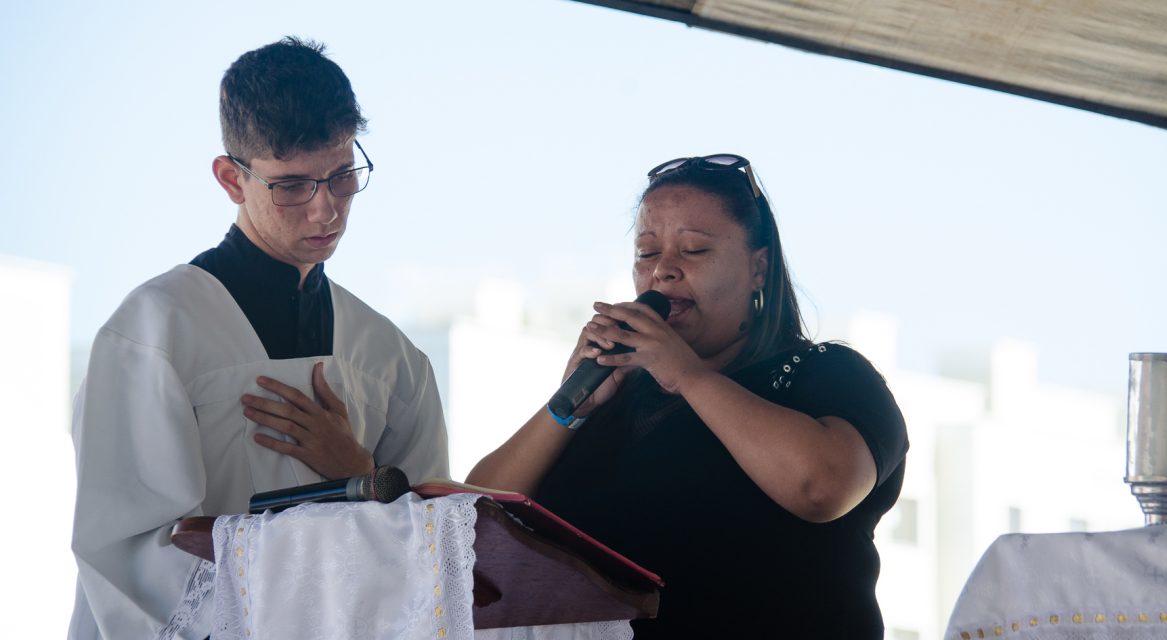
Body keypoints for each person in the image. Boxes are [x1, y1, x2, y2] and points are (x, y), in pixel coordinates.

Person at [68, 38, 449, 639]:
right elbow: (127, 556)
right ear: (230, 178)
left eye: (344, 175)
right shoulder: (154, 331)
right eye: (293, 185)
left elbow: (437, 556)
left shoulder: (391, 358)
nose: (326, 210)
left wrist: (360, 472)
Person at [468, 154, 909, 639]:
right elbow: (472, 518)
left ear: (759, 268)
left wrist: (688, 375)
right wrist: (567, 407)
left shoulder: (825, 373)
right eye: (646, 253)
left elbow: (821, 488)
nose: (663, 272)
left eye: (694, 250)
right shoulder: (611, 398)